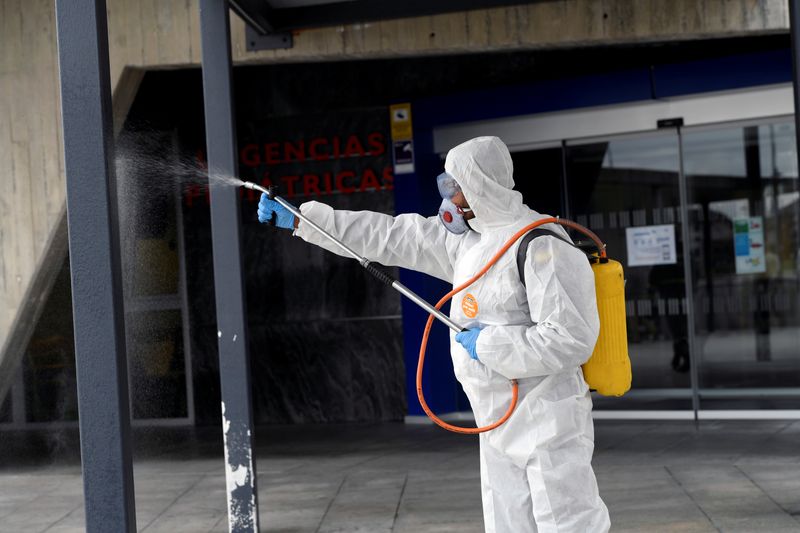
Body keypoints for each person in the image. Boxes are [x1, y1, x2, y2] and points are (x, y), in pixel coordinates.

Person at [258, 136, 609, 532]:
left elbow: (570, 338)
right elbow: (388, 235)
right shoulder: (468, 243)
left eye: (456, 187)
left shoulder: (541, 243)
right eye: (448, 185)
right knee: (507, 523)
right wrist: (304, 221)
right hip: (494, 418)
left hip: (547, 416)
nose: (450, 197)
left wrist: (488, 345)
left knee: (566, 521)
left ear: (482, 185)